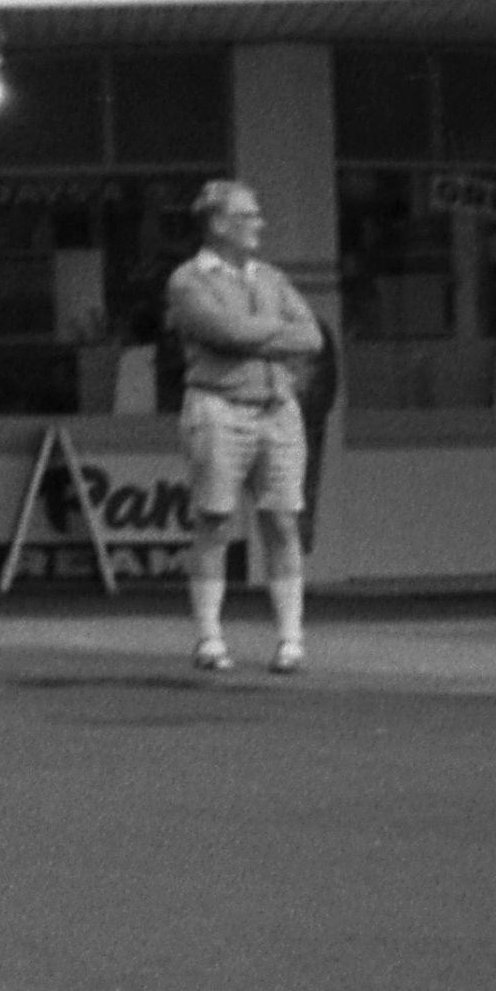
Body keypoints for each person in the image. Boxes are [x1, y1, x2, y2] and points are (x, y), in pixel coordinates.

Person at [163, 178, 326, 674]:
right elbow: (225, 332)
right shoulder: (190, 279)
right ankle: (210, 638)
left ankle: (291, 640)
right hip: (218, 406)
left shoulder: (271, 277)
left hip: (278, 408)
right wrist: (279, 335)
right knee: (213, 521)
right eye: (249, 215)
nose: (260, 223)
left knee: (282, 520)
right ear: (218, 223)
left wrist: (257, 338)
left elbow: (313, 336)